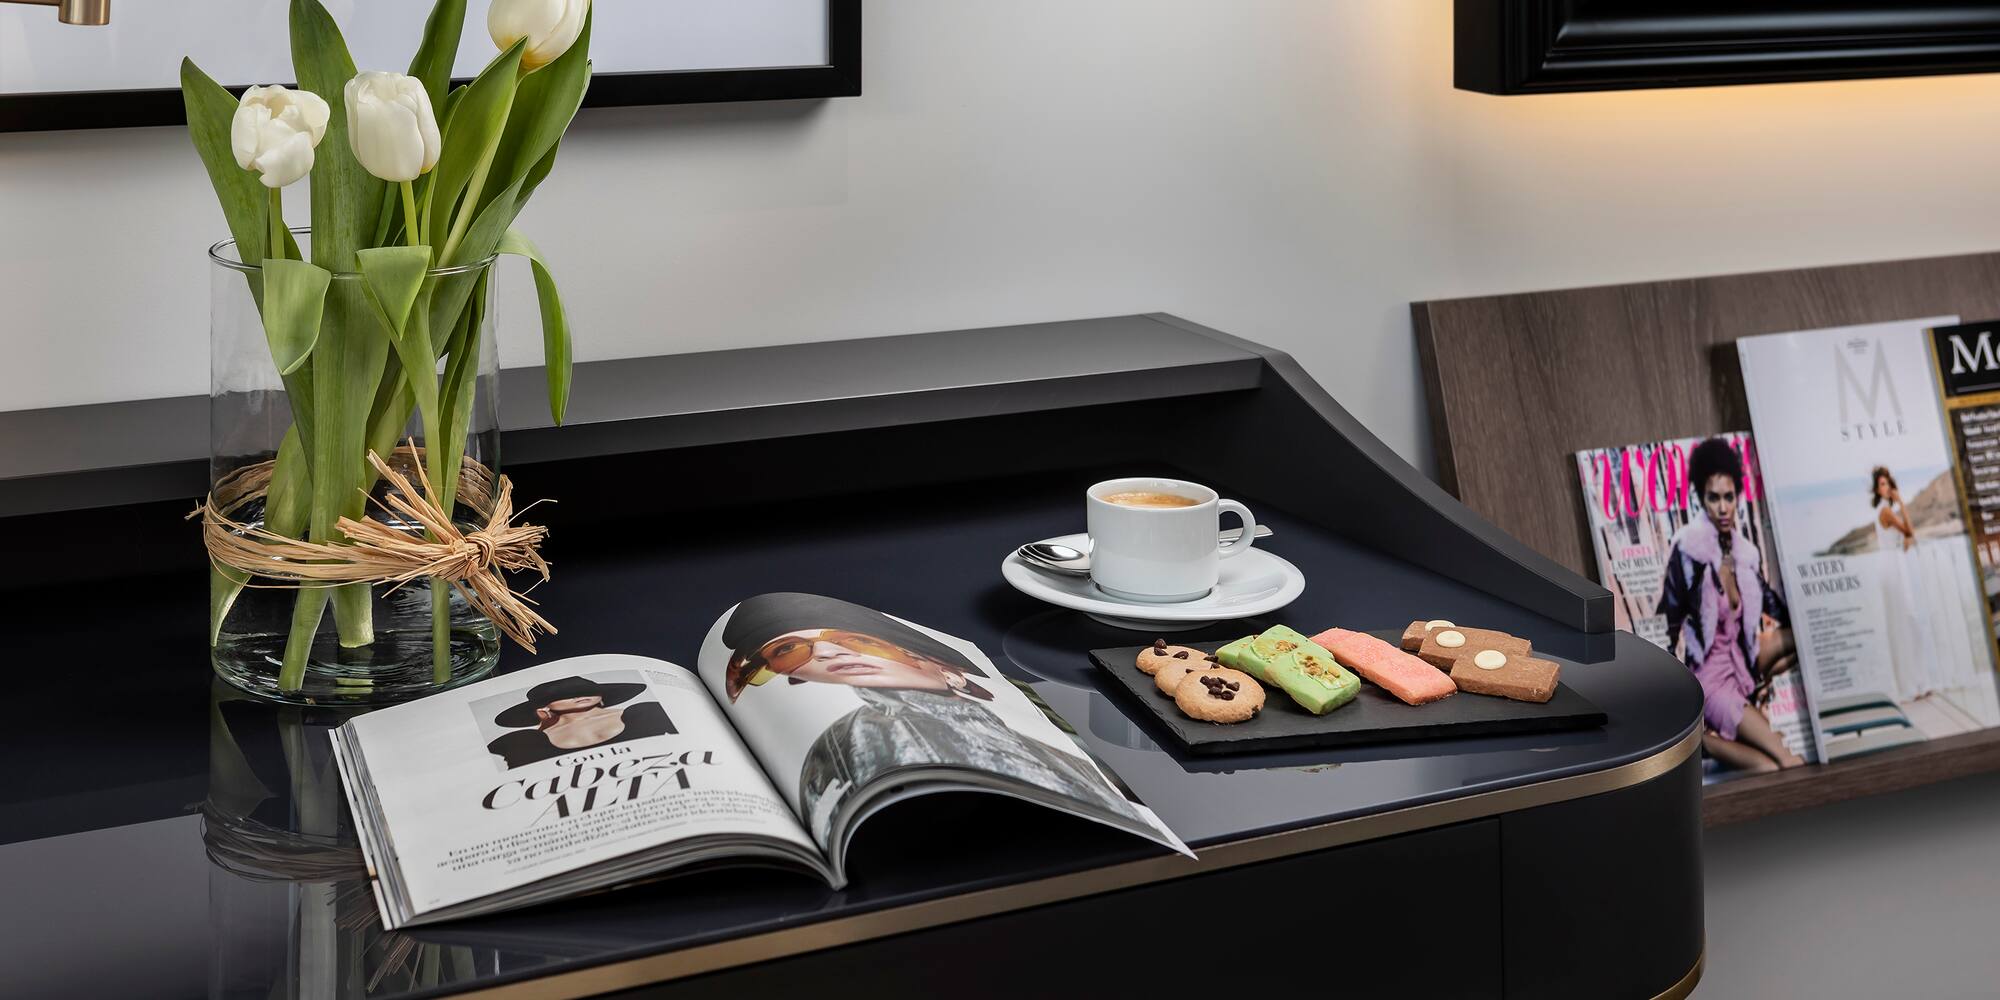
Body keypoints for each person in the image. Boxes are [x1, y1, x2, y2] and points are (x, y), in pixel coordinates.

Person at [721, 593, 1140, 842]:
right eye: (789, 652)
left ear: (945, 667)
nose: (829, 653)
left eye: (861, 641)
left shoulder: (1051, 732)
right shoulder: (861, 734)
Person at [1658, 438, 1804, 772]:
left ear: (1737, 497)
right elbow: (1670, 626)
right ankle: (1706, 740)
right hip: (1709, 679)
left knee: (1805, 637)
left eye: (1728, 497)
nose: (1723, 507)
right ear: (1701, 499)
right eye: (1713, 498)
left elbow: (1777, 608)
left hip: (1741, 659)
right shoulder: (1689, 554)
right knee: (1781, 763)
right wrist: (1678, 711)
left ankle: (1758, 687)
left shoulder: (1744, 555)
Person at [485, 675, 675, 770]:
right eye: (563, 696)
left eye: (585, 691)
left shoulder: (647, 712)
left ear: (601, 696)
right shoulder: (524, 741)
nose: (578, 696)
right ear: (544, 708)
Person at [1871, 467, 1941, 700]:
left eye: (1888, 483)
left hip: (1896, 563)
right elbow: (1909, 529)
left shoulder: (1888, 511)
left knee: (1907, 622)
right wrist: (1902, 504)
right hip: (1893, 567)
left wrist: (1907, 536)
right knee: (1905, 621)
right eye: (1882, 484)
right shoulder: (1886, 512)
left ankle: (1917, 682)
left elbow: (1908, 535)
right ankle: (1912, 684)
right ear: (1877, 488)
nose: (1887, 487)